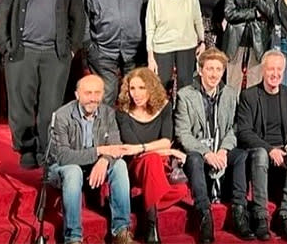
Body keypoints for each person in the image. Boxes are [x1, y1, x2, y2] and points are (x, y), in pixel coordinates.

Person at [0, 0, 84, 169]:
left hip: (55, 56)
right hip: (23, 54)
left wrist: (72, 49)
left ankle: (46, 149)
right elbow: (1, 13)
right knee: (21, 105)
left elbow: (78, 18)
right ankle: (26, 149)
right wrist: (4, 46)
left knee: (50, 107)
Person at [174, 47, 252, 243]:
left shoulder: (230, 94)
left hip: (221, 147)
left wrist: (224, 150)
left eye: (218, 69)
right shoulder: (185, 95)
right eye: (210, 69)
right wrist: (208, 153)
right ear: (200, 70)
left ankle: (239, 211)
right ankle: (204, 215)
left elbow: (234, 128)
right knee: (193, 158)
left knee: (241, 155)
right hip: (198, 150)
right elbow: (183, 134)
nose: (214, 74)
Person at [48, 74, 135, 244]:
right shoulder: (62, 116)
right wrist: (100, 151)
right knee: (73, 171)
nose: (93, 98)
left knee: (120, 166)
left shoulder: (108, 113)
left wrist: (104, 160)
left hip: (94, 164)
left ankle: (121, 231)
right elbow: (64, 156)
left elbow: (115, 145)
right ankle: (73, 237)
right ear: (77, 95)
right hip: (62, 167)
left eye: (97, 93)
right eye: (88, 93)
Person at [116, 68, 187, 244]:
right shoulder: (123, 111)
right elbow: (131, 148)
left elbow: (166, 139)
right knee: (152, 159)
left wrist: (159, 148)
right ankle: (151, 225)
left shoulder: (164, 106)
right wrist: (168, 150)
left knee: (182, 190)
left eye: (142, 88)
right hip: (136, 166)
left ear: (151, 88)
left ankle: (144, 202)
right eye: (132, 88)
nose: (136, 94)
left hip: (159, 167)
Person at [236, 50, 287, 241]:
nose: (275, 73)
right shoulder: (249, 95)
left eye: (279, 69)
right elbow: (244, 132)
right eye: (271, 69)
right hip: (259, 149)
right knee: (262, 155)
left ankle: (286, 216)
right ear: (263, 70)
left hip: (283, 146)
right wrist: (270, 149)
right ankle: (260, 216)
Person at [82, 0, 149, 106]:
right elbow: (83, 19)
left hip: (134, 51)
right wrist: (90, 47)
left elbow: (148, 13)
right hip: (103, 51)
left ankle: (128, 132)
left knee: (134, 97)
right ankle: (104, 131)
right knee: (108, 95)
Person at [146, 0, 204, 93]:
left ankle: (182, 114)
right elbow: (150, 29)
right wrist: (150, 56)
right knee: (161, 85)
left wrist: (202, 42)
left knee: (186, 86)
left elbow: (198, 20)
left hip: (187, 46)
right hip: (162, 47)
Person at [223, 0, 276, 92]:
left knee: (255, 86)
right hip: (236, 41)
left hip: (258, 42)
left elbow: (271, 13)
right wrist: (256, 13)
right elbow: (230, 14)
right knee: (232, 85)